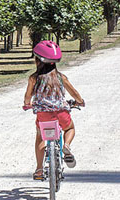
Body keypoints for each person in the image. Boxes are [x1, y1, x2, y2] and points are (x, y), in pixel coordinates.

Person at [23, 40, 85, 180]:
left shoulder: (34, 78)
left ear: (37, 60)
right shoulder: (61, 77)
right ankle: (67, 146)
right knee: (69, 128)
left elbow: (27, 97)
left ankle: (39, 169)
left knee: (40, 136)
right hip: (61, 113)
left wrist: (28, 104)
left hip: (43, 115)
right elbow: (74, 93)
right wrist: (80, 102)